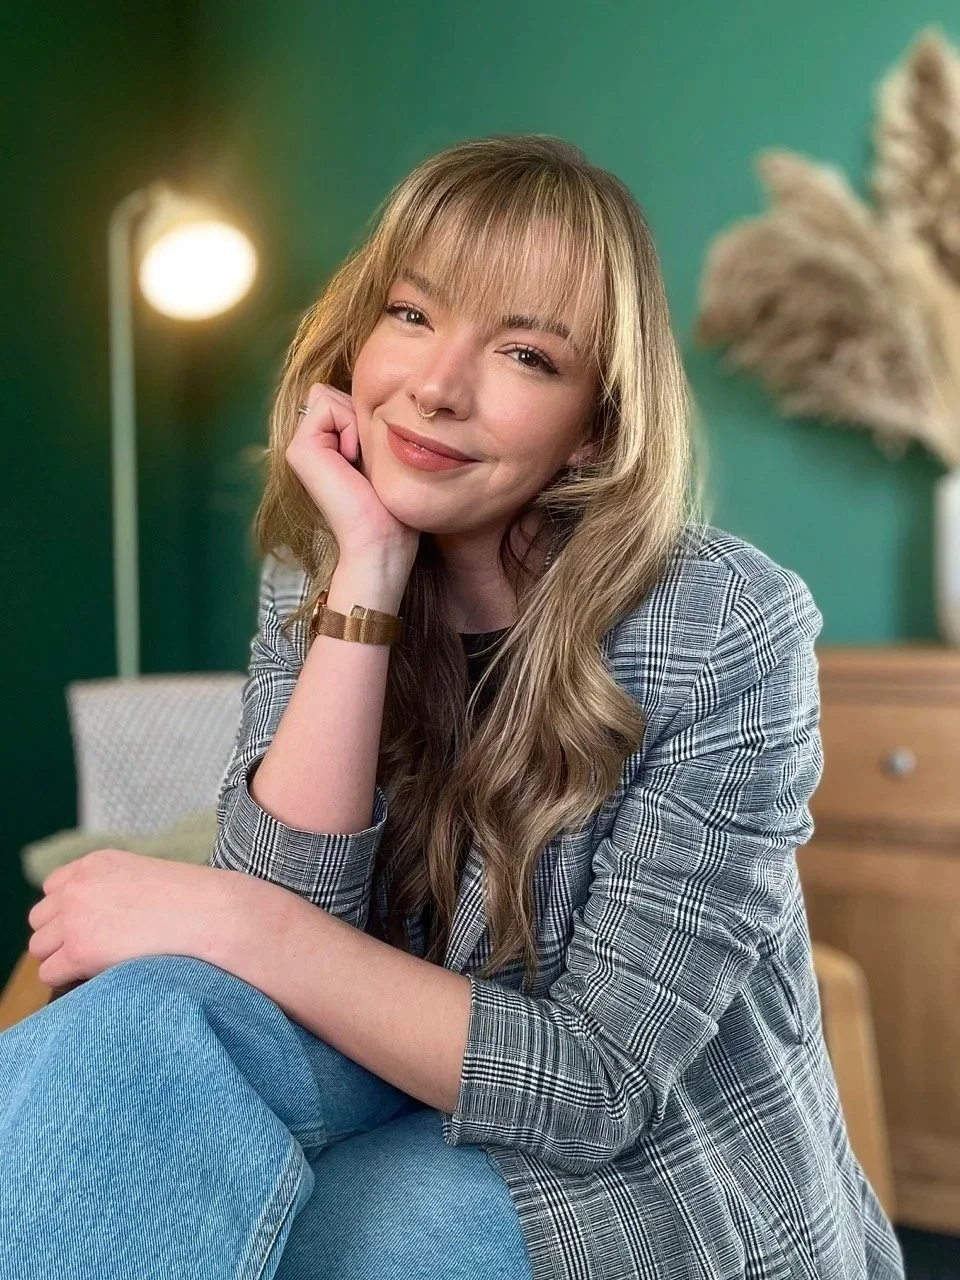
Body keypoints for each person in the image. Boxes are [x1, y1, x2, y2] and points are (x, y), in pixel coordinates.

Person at [0, 134, 905, 1280]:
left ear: (594, 423)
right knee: (122, 1036)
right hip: (381, 1077)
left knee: (286, 1236)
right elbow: (274, 940)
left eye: (526, 354)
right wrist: (368, 572)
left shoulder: (726, 622)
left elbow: (596, 1084)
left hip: (642, 1170)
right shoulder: (321, 560)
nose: (436, 384)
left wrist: (232, 918)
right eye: (412, 314)